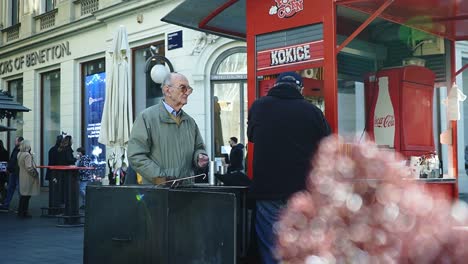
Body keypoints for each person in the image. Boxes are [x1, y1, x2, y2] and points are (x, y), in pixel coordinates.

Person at [247, 71, 331, 264]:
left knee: (271, 243)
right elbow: (327, 144)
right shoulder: (311, 110)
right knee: (299, 243)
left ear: (276, 86)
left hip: (267, 189)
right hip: (300, 191)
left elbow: (252, 136)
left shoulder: (259, 106)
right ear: (300, 89)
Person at [128, 72, 209, 185]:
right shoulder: (147, 117)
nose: (187, 92)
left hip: (186, 192)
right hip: (158, 192)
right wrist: (161, 178)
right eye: (183, 88)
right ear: (167, 91)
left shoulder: (190, 122)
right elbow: (136, 155)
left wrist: (199, 157)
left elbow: (199, 147)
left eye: (188, 89)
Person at [17, 140, 40, 218]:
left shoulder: (19, 154)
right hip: (28, 177)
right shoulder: (27, 155)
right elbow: (29, 167)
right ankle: (24, 212)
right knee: (26, 196)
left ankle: (21, 211)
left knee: (23, 195)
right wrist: (35, 173)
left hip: (22, 176)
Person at [0, 136, 24, 211]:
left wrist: (9, 168)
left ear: (20, 142)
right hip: (12, 171)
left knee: (18, 189)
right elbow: (11, 160)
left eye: (16, 141)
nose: (15, 142)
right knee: (11, 188)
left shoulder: (21, 149)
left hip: (17, 171)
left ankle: (21, 206)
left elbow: (14, 160)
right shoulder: (15, 149)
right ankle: (6, 204)